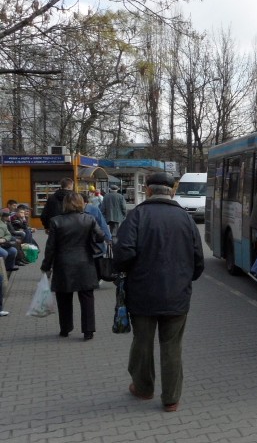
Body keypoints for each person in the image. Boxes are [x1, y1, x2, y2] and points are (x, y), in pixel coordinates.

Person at [114, 172, 204, 413]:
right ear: (172, 191)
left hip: (142, 293)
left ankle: (143, 388)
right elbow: (199, 261)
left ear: (148, 190)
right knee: (172, 346)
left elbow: (123, 254)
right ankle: (171, 398)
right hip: (177, 295)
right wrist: (184, 280)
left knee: (142, 342)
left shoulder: (136, 216)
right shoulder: (185, 219)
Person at [40, 192, 105, 339]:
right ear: (81, 203)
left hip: (63, 263)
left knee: (63, 297)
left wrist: (46, 266)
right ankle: (88, 331)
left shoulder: (56, 221)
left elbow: (50, 247)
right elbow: (100, 237)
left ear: (65, 205)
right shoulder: (89, 219)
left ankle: (65, 328)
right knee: (87, 297)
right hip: (85, 262)